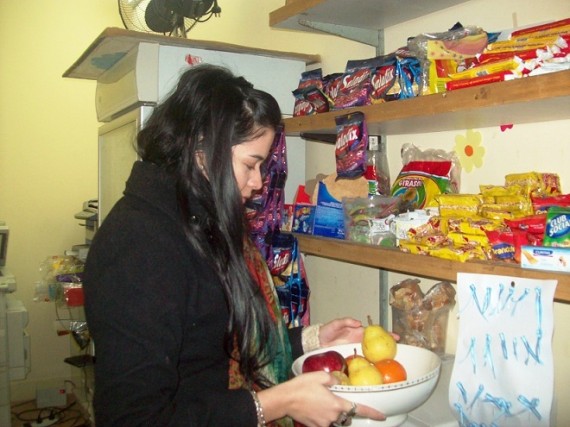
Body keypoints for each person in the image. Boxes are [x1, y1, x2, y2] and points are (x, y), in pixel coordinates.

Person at [83, 64, 386, 427]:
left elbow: (215, 352)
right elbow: (131, 419)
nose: (258, 183)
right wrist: (272, 404)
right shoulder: (138, 244)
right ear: (201, 150)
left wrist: (312, 339)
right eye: (250, 164)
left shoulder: (196, 223)